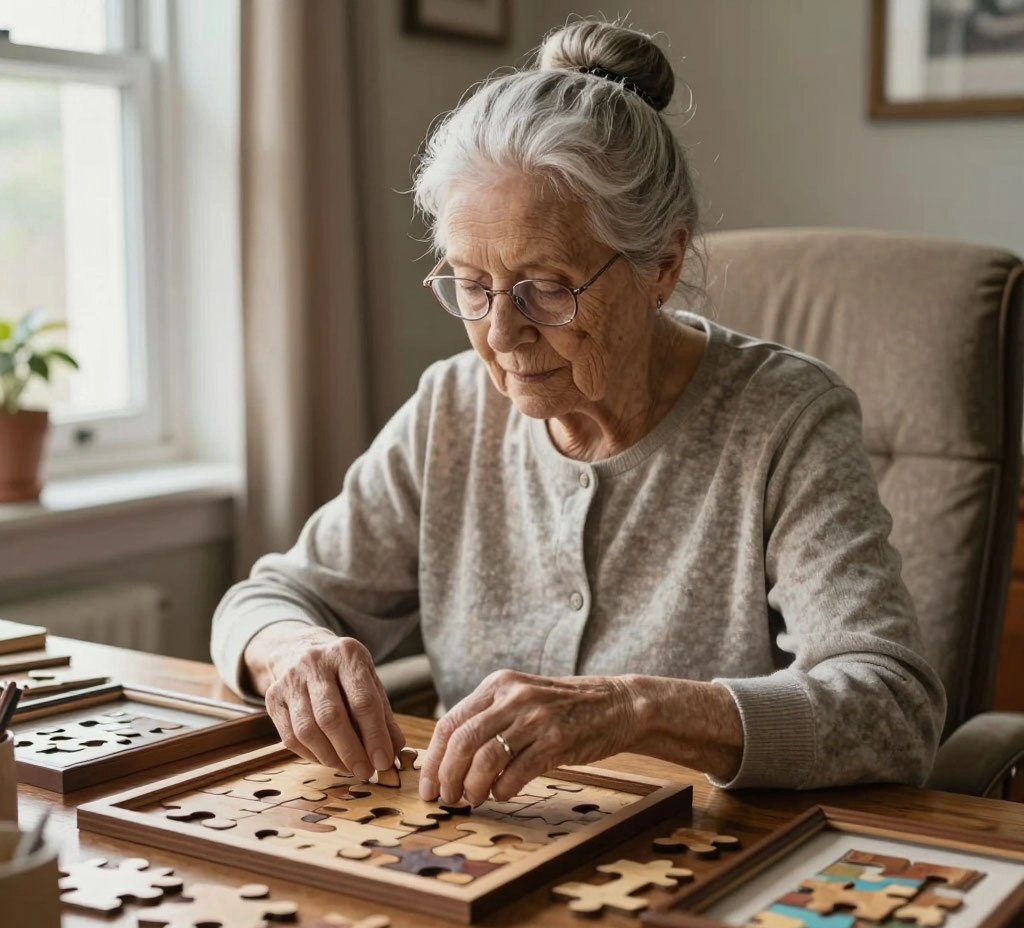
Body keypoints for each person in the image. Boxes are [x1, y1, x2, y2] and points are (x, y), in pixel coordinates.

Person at [211, 19, 945, 807]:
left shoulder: (784, 419)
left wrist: (636, 708)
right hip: (483, 866)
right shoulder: (452, 408)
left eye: (547, 287)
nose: (500, 332)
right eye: (470, 284)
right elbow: (264, 599)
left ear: (660, 266)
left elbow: (891, 707)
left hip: (712, 868)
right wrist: (290, 651)